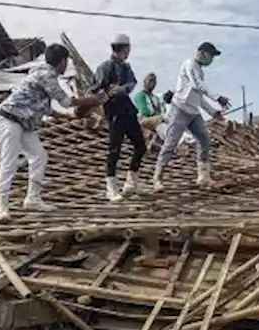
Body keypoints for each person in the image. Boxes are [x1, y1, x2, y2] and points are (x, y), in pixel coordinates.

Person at [0, 44, 104, 221]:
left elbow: (48, 110)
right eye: (65, 61)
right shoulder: (47, 74)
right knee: (9, 161)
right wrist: (92, 100)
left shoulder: (43, 76)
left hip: (24, 123)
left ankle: (33, 199)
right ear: (61, 61)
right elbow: (67, 101)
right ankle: (2, 207)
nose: (66, 65)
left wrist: (68, 119)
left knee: (39, 156)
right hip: (10, 119)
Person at [153, 42, 230, 192]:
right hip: (180, 109)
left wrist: (213, 112)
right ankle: (157, 178)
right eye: (211, 55)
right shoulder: (189, 65)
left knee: (204, 139)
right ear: (201, 52)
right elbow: (196, 85)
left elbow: (198, 97)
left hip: (193, 113)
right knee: (171, 143)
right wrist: (217, 97)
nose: (211, 59)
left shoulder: (201, 71)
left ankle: (203, 177)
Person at [95, 33, 145, 203]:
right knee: (114, 150)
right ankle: (111, 188)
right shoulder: (104, 67)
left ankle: (131, 183)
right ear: (125, 49)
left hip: (128, 110)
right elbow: (96, 88)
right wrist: (109, 91)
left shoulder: (126, 67)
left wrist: (122, 89)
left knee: (140, 146)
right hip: (114, 110)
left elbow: (132, 84)